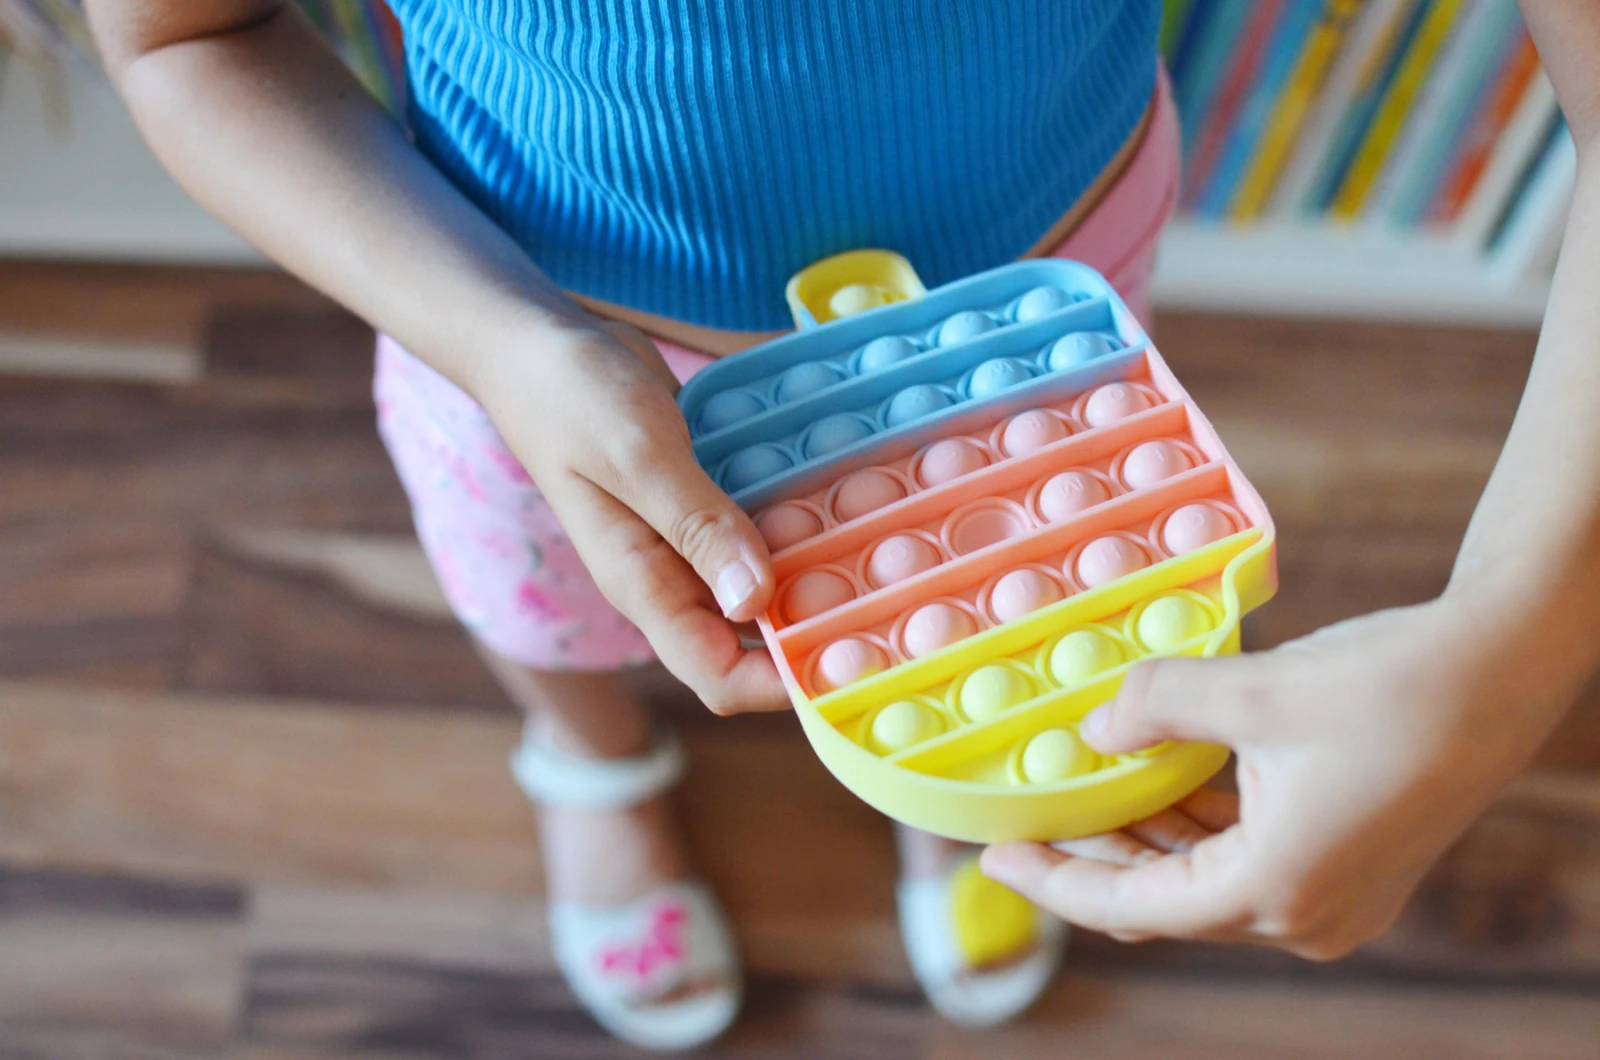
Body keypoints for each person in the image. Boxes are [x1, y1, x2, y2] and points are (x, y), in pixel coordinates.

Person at [82, 0, 1598, 1050]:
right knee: (545, 595)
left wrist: (1518, 642)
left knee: (1004, 614)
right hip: (522, 328)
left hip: (1030, 335)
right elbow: (185, 34)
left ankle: (958, 783)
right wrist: (504, 344)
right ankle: (593, 761)